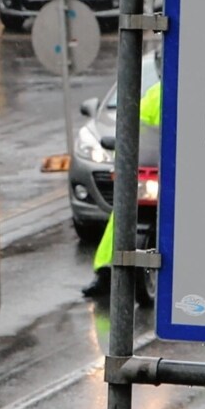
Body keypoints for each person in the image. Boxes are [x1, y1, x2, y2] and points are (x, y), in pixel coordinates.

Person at [82, 78, 163, 300]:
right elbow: (133, 131)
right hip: (155, 172)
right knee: (121, 216)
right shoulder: (157, 94)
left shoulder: (200, 93)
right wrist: (125, 158)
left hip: (183, 176)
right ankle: (106, 272)